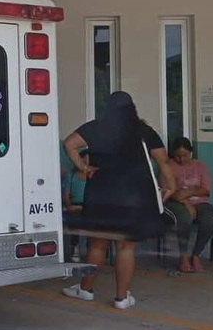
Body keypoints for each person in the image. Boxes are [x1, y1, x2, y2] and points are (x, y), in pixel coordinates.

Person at [60, 92, 177, 310]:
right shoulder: (143, 131)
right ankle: (122, 298)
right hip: (134, 195)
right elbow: (164, 161)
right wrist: (171, 185)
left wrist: (83, 167)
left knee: (97, 244)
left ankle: (85, 290)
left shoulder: (96, 127)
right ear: (132, 108)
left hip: (101, 193)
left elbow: (69, 144)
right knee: (125, 247)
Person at [165, 137, 213, 273]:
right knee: (184, 218)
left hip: (200, 202)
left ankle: (196, 255)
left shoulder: (199, 166)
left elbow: (205, 189)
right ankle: (183, 257)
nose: (181, 159)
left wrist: (188, 192)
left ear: (191, 153)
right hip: (176, 203)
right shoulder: (168, 166)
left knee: (210, 220)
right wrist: (186, 202)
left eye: (185, 155)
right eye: (177, 156)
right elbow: (169, 191)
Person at [61, 160, 88, 262]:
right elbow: (66, 196)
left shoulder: (92, 175)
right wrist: (70, 206)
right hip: (74, 206)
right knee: (74, 220)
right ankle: (75, 248)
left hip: (89, 206)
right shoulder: (70, 176)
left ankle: (92, 249)